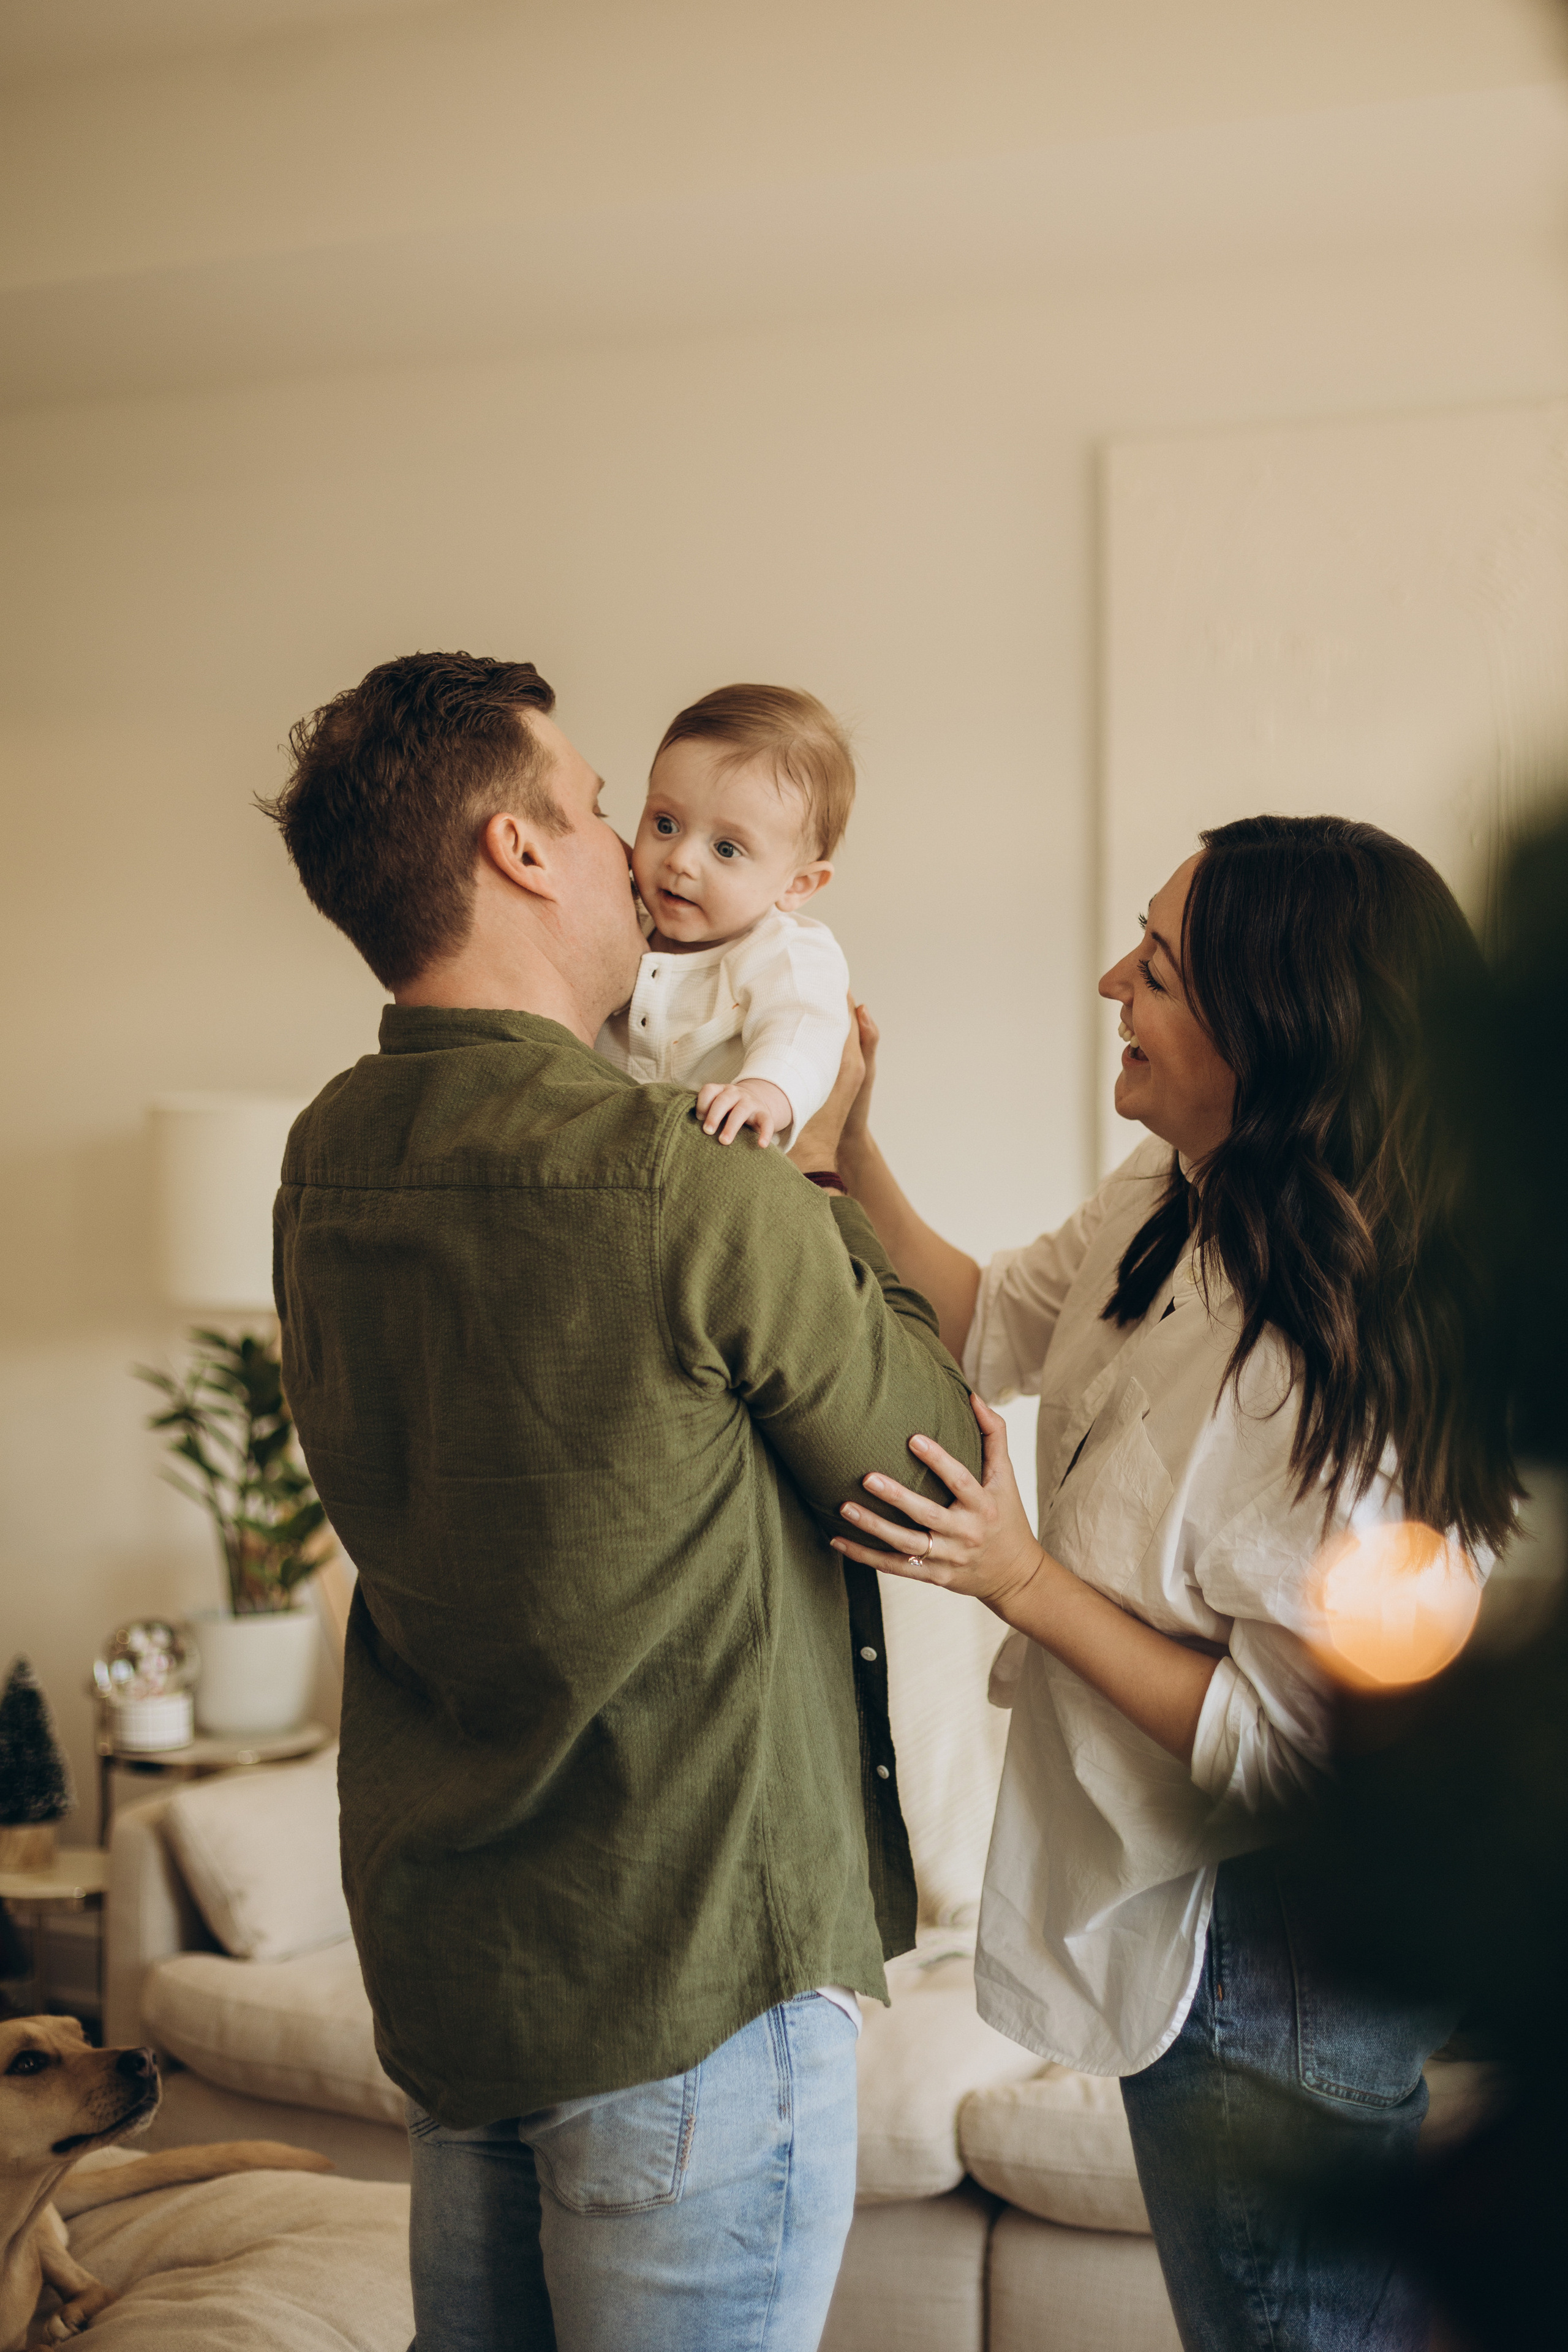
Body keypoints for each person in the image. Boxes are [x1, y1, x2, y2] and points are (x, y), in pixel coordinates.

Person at [262, 650, 982, 2352]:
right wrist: (826, 1166)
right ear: (518, 853)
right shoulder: (688, 1179)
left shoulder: (324, 1156)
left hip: (457, 1968)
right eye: (597, 809)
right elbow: (930, 1458)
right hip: (688, 1968)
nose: (630, 850)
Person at [824, 815, 1517, 2352]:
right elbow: (985, 1313)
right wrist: (849, 1140)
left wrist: (1017, 1576)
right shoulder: (1177, 1191)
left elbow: (1292, 1744)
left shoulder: (1347, 1367)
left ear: (1276, 1030)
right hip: (1186, 1897)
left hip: (1267, 1940)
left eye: (1153, 968)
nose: (1104, 984)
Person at [598, 684, 853, 1149]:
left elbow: (806, 1029)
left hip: (719, 1156)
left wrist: (763, 1093)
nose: (681, 861)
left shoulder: (787, 953)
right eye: (665, 824)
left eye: (726, 849)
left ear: (797, 885)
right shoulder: (623, 916)